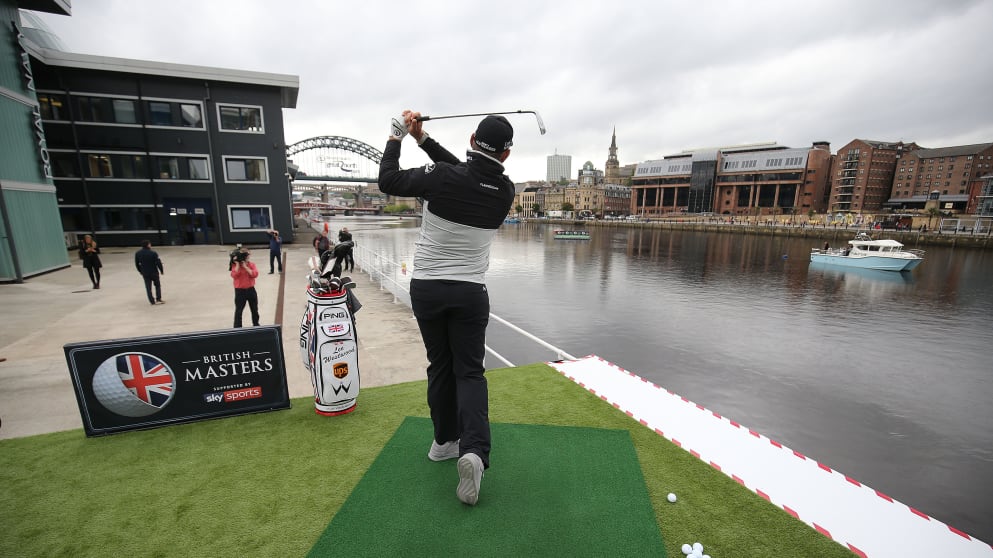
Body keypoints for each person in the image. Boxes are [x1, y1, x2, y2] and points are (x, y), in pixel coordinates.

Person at [378, 110, 515, 506]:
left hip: (428, 291)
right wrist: (423, 140)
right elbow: (471, 173)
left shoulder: (441, 178)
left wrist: (396, 135)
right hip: (470, 293)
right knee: (470, 372)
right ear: (506, 155)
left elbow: (388, 180)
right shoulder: (505, 192)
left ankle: (443, 443)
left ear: (472, 138)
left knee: (440, 366)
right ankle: (473, 451)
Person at [230, 248, 260, 327]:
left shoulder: (251, 265)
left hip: (251, 290)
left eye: (248, 255)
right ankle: (237, 327)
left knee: (254, 309)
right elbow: (234, 275)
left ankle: (256, 324)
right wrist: (237, 265)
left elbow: (255, 274)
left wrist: (246, 267)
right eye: (246, 255)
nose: (247, 257)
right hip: (240, 291)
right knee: (239, 310)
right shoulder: (235, 265)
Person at [134, 240, 164, 305]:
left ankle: (152, 301)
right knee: (157, 285)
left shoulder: (138, 253)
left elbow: (137, 264)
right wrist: (161, 270)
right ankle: (158, 299)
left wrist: (140, 271)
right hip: (154, 272)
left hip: (145, 273)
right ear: (148, 245)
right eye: (150, 244)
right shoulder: (153, 253)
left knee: (148, 287)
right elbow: (158, 262)